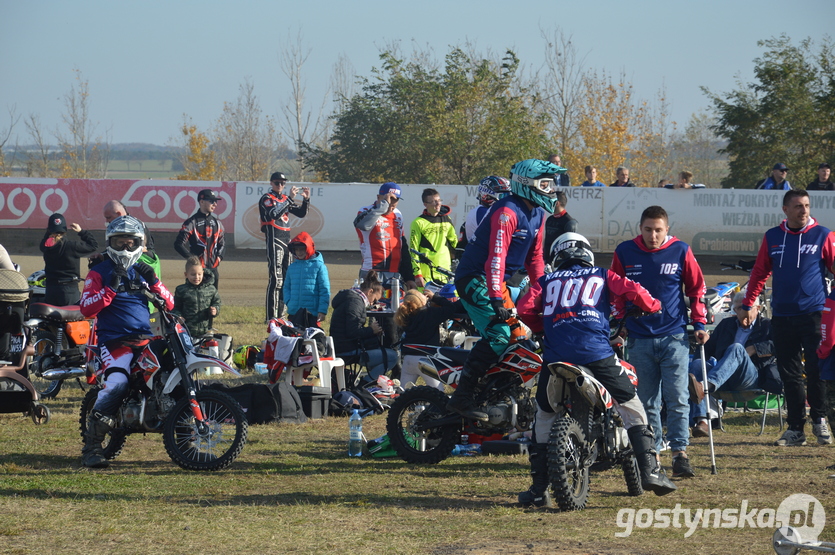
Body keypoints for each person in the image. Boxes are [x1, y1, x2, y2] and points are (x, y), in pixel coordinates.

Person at [517, 232, 676, 506]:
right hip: (596, 351)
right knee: (631, 405)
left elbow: (523, 308)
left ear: (557, 256)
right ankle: (651, 471)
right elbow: (635, 291)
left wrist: (546, 328)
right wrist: (654, 306)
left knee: (543, 414)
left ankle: (539, 489)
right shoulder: (602, 274)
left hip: (556, 354)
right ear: (586, 253)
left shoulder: (545, 280)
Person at [447, 158, 561, 420]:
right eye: (545, 184)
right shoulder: (507, 211)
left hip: (496, 283)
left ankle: (493, 395)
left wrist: (546, 294)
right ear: (526, 184)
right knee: (499, 335)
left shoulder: (538, 215)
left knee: (521, 338)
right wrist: (497, 297)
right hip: (474, 278)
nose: (550, 190)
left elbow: (535, 260)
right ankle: (462, 396)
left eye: (551, 184)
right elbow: (495, 257)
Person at [611, 205, 709, 479]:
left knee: (677, 398)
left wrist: (699, 323)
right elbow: (616, 291)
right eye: (648, 230)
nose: (653, 235)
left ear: (667, 230)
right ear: (639, 229)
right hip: (640, 338)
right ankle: (653, 455)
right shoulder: (625, 252)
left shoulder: (681, 250)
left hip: (674, 336)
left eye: (658, 230)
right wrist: (621, 323)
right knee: (647, 402)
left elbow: (696, 289)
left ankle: (680, 454)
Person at [79, 215, 174, 468]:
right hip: (113, 342)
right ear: (110, 242)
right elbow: (86, 309)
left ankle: (182, 438)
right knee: (118, 383)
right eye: (119, 243)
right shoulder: (98, 271)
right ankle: (91, 448)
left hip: (145, 338)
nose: (125, 248)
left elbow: (170, 302)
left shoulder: (142, 269)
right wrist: (109, 289)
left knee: (170, 375)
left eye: (130, 243)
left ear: (140, 243)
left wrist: (153, 281)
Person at [741, 189, 834, 446]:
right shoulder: (773, 236)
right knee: (790, 373)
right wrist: (749, 303)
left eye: (806, 205)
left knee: (817, 370)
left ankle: (820, 420)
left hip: (814, 314)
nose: (803, 210)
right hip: (782, 315)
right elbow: (760, 272)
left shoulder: (823, 235)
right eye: (797, 206)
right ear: (785, 210)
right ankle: (795, 429)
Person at [687, 292, 781, 437]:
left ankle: (706, 386)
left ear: (758, 308)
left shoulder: (767, 325)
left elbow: (781, 346)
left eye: (745, 308)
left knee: (736, 348)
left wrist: (755, 348)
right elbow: (707, 350)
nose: (741, 312)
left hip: (750, 377)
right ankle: (703, 422)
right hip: (723, 379)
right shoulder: (726, 324)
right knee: (698, 363)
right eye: (737, 308)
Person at [329, 270, 398, 385]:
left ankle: (367, 382)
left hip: (342, 345)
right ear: (370, 291)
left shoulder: (350, 298)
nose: (372, 304)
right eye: (375, 300)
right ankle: (365, 384)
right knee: (392, 357)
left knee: (382, 349)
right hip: (348, 350)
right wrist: (372, 330)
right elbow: (352, 332)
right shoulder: (355, 302)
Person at [259, 172, 311, 321]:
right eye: (277, 183)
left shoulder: (284, 199)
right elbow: (274, 214)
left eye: (282, 183)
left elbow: (301, 213)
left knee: (287, 279)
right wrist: (289, 199)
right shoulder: (267, 198)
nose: (280, 185)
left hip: (287, 241)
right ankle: (271, 316)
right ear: (271, 183)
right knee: (276, 279)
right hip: (274, 239)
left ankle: (281, 314)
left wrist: (306, 199)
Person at [394, 289, 468, 390]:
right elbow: (451, 308)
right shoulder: (431, 313)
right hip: (426, 360)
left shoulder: (406, 315)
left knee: (403, 393)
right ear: (421, 301)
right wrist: (435, 297)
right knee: (438, 395)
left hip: (408, 359)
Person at [354, 182, 410, 282]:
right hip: (372, 270)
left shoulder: (398, 214)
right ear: (378, 197)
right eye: (389, 199)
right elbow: (363, 225)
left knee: (395, 298)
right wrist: (383, 206)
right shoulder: (366, 210)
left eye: (395, 200)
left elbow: (403, 245)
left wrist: (409, 276)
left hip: (395, 272)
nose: (391, 204)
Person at [40, 213, 98, 306]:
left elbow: (45, 240)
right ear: (65, 231)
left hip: (51, 290)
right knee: (71, 320)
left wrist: (50, 230)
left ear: (49, 230)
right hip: (69, 291)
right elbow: (93, 245)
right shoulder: (72, 246)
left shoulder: (45, 247)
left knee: (51, 320)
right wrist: (81, 231)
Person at [174, 188, 225, 290]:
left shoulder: (218, 223)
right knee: (193, 301)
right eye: (211, 201)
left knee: (213, 302)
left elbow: (222, 244)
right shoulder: (191, 222)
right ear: (201, 201)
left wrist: (219, 258)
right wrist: (192, 260)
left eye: (215, 201)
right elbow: (178, 244)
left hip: (213, 270)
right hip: (197, 271)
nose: (215, 204)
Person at [410, 188, 457, 286]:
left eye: (439, 200)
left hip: (445, 271)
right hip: (427, 273)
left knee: (447, 300)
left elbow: (455, 243)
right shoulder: (418, 222)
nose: (438, 204)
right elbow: (413, 250)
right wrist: (417, 274)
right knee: (426, 301)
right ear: (425, 204)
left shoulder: (447, 219)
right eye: (433, 202)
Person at [283, 231, 330, 324]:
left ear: (308, 248)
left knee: (311, 338)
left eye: (302, 249)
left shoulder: (319, 266)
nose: (299, 252)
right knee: (293, 336)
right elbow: (286, 287)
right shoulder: (292, 267)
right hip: (294, 311)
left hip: (312, 313)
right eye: (296, 249)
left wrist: (322, 310)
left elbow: (324, 290)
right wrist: (289, 302)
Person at [458, 176, 511, 253]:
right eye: (503, 196)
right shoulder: (482, 212)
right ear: (487, 195)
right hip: (483, 257)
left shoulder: (482, 211)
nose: (507, 200)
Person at [173, 255, 221, 339]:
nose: (196, 277)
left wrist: (215, 310)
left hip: (206, 331)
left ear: (203, 272)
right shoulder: (181, 290)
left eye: (199, 274)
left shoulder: (211, 289)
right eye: (193, 274)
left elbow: (217, 302)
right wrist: (178, 317)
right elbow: (176, 308)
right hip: (187, 331)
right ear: (186, 274)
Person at [542, 189, 577, 266]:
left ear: (557, 203)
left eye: (550, 201)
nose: (548, 203)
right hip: (547, 261)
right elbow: (547, 240)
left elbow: (570, 247)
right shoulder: (549, 219)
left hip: (561, 262)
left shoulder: (570, 222)